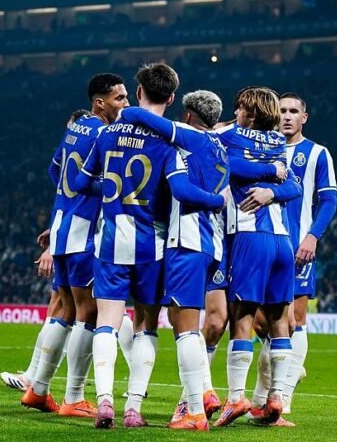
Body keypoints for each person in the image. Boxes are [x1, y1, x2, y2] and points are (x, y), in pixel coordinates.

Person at [121, 90, 287, 429]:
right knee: (209, 320)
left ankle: (195, 407)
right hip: (216, 245)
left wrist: (125, 114)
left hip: (187, 242)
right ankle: (208, 392)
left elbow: (143, 121)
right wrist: (272, 169)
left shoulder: (189, 141)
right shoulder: (220, 146)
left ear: (187, 116)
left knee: (183, 326)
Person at [73, 63, 226, 429]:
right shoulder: (170, 143)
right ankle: (133, 408)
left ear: (138, 92)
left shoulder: (106, 134)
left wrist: (109, 190)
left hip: (110, 238)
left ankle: (104, 400)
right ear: (171, 98)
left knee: (107, 323)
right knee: (146, 325)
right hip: (152, 243)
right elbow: (181, 189)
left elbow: (80, 182)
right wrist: (218, 201)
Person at [21, 75, 129, 418]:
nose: (125, 104)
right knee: (89, 313)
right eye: (119, 98)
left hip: (65, 227)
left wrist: (66, 208)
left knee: (65, 311)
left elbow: (55, 171)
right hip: (85, 234)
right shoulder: (104, 134)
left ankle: (38, 390)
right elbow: (99, 183)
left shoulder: (76, 128)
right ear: (100, 102)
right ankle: (74, 398)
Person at [212, 87, 302, 428]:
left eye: (240, 108)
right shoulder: (278, 143)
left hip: (250, 237)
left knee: (243, 319)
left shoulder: (229, 136)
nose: (236, 112)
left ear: (248, 113)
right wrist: (272, 180)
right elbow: (293, 186)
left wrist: (264, 186)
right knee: (279, 322)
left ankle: (236, 397)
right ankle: (276, 398)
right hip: (283, 242)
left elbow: (227, 164)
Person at [251, 92, 337, 417]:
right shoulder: (261, 149)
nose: (286, 116)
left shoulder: (317, 153)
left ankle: (281, 396)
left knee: (295, 319)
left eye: (293, 111)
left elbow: (328, 201)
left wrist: (312, 237)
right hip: (262, 244)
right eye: (282, 110)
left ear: (304, 117)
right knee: (259, 321)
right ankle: (292, 368)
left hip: (297, 247)